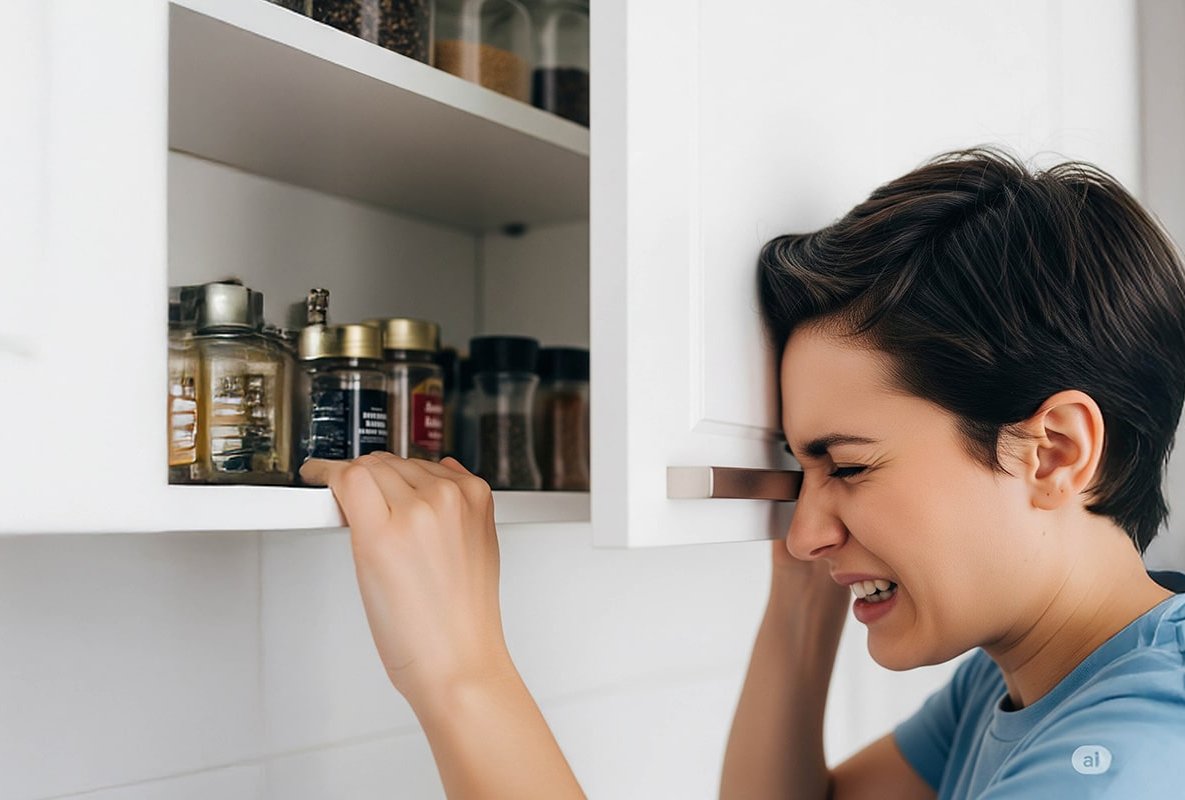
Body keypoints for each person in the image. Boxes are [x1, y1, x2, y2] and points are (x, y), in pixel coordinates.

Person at [300, 148, 1185, 799]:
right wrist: (806, 591)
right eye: (799, 470)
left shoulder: (1131, 760)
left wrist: (459, 671)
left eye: (845, 465)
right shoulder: (1027, 674)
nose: (803, 528)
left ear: (1056, 451)